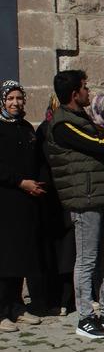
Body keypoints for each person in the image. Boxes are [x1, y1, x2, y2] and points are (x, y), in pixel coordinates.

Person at [46, 70, 104, 338]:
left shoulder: (80, 118)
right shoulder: (63, 124)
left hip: (101, 194)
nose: (88, 92)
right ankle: (86, 316)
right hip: (85, 197)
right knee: (87, 260)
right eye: (85, 88)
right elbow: (101, 143)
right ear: (75, 93)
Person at [0, 80, 45, 332]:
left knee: (20, 256)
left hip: (26, 201)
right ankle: (1, 310)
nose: (15, 103)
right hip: (6, 200)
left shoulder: (26, 127)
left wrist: (37, 184)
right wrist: (19, 182)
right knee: (4, 257)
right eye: (10, 99)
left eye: (19, 98)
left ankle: (16, 306)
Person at [36, 95, 76, 316]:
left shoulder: (67, 129)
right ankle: (54, 299)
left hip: (66, 196)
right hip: (50, 198)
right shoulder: (44, 130)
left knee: (68, 252)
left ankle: (66, 299)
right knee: (53, 252)